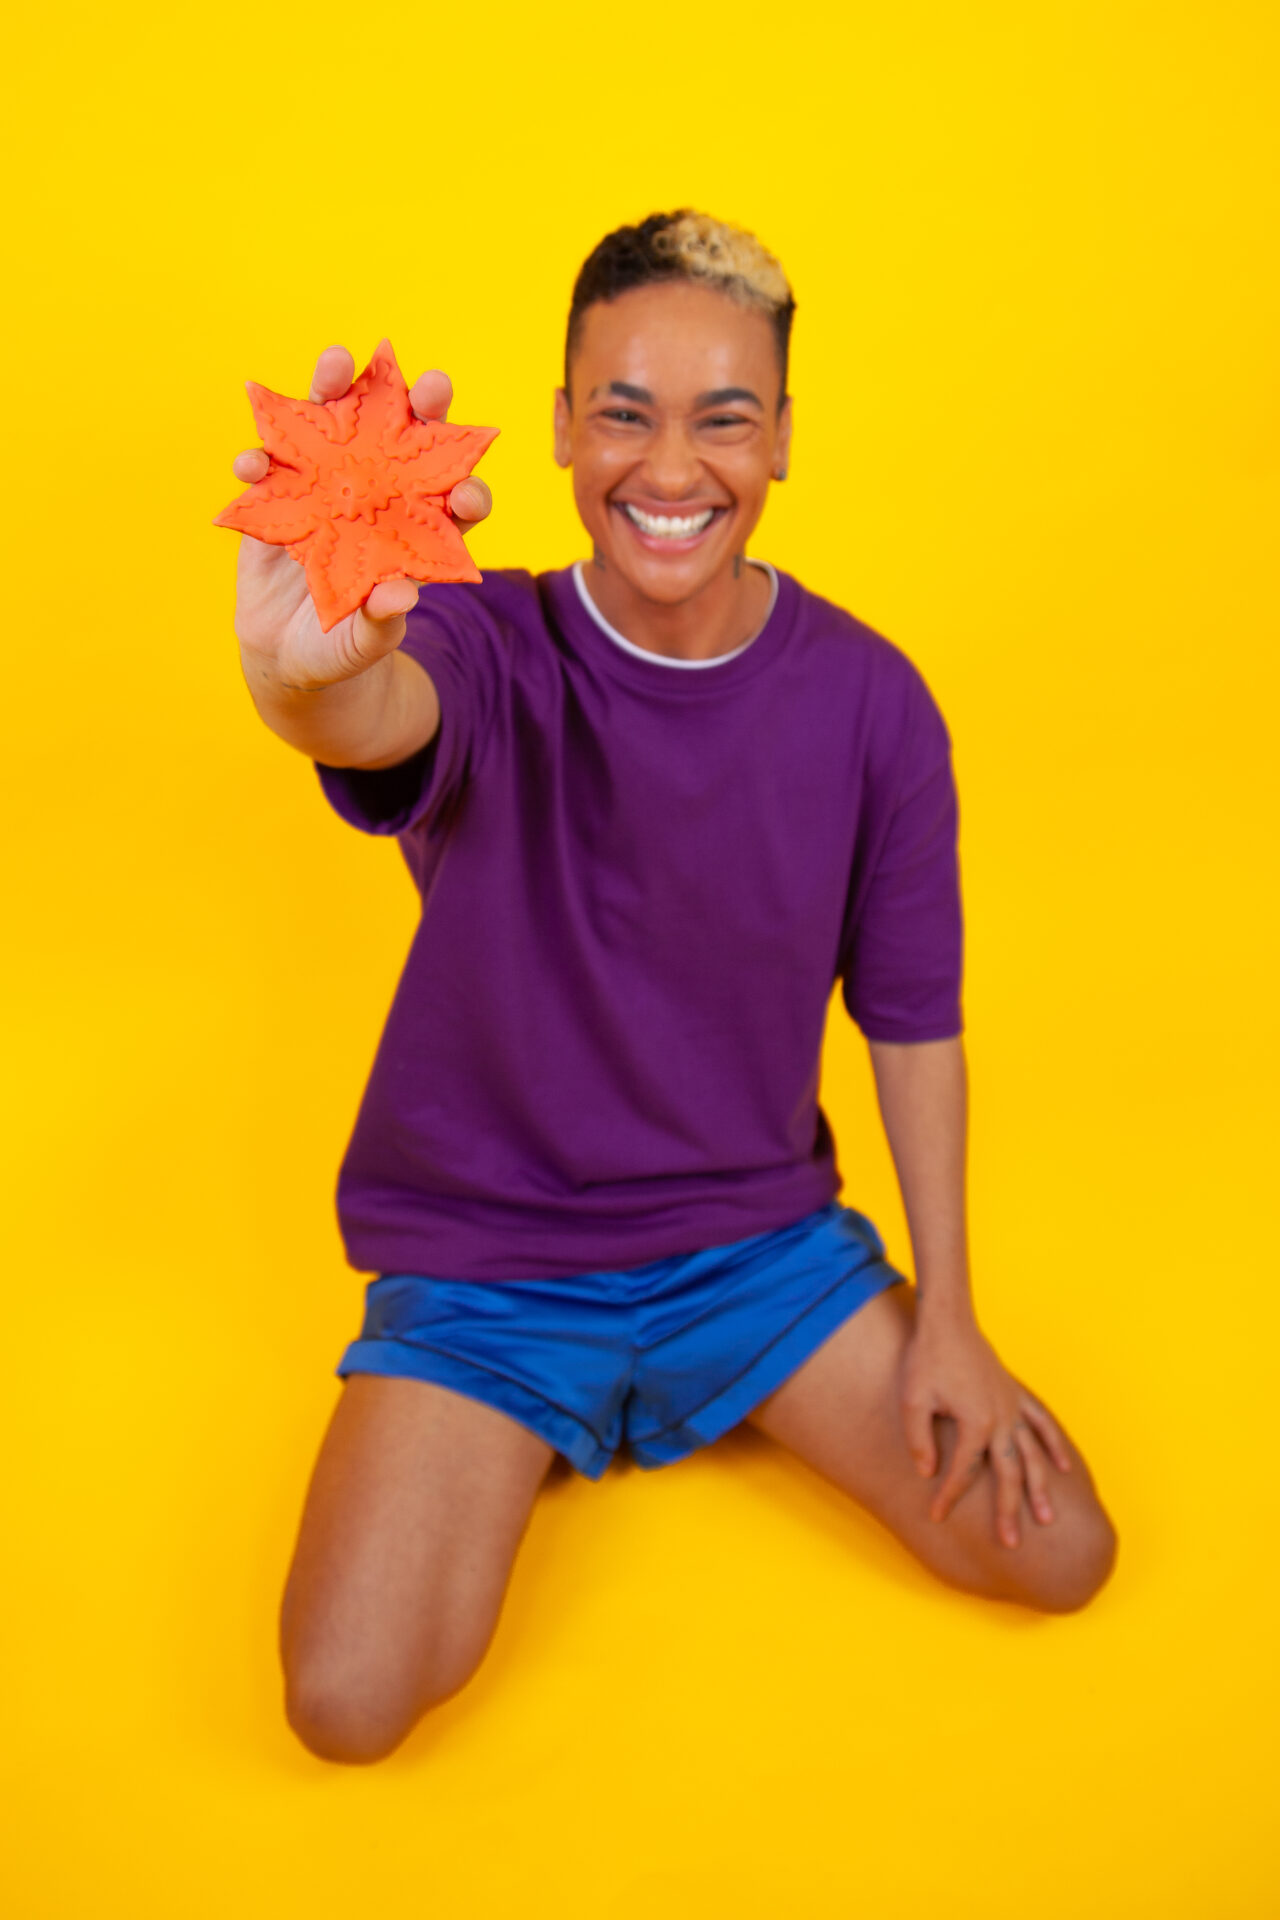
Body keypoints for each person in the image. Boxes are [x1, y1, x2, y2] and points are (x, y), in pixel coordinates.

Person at [227, 210, 1118, 1765]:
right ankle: (555, 1405)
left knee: (1065, 1552)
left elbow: (913, 1023)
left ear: (783, 439)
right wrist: (294, 685)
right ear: (563, 425)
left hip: (760, 1257)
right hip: (496, 1267)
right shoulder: (483, 637)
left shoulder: (876, 704)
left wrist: (954, 1320)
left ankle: (681, 1387)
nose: (670, 466)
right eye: (625, 413)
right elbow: (376, 709)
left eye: (724, 418)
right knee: (347, 1705)